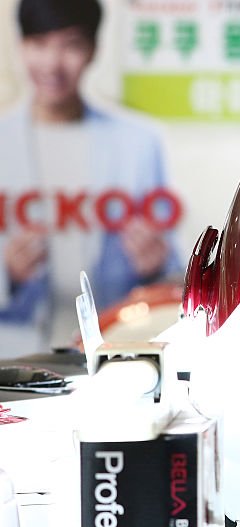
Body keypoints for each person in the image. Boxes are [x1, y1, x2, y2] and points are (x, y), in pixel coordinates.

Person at [0, 0, 181, 356]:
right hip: (12, 353)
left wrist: (156, 266)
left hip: (114, 349)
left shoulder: (139, 142)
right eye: (39, 44)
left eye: (70, 44)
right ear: (21, 46)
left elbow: (172, 274)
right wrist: (7, 272)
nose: (53, 63)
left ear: (94, 49)